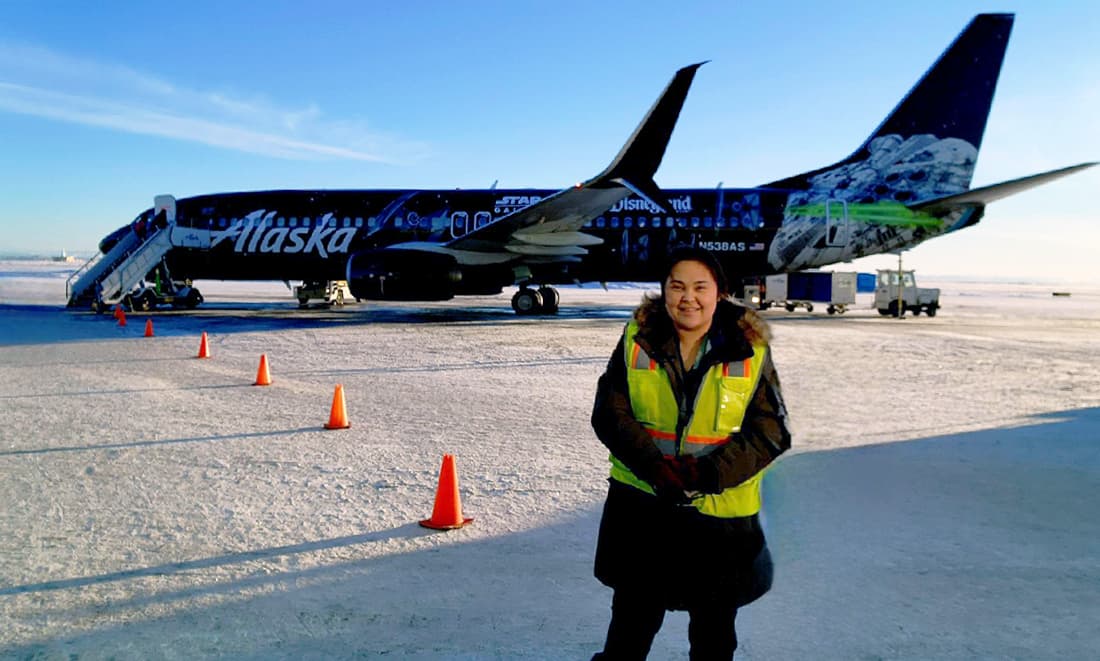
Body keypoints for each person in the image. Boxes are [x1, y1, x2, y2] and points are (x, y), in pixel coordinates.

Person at [590, 246, 792, 660]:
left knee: (714, 634)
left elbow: (771, 430)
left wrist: (708, 475)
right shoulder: (637, 338)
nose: (688, 297)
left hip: (718, 516)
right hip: (644, 507)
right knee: (630, 626)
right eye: (677, 285)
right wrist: (655, 468)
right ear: (663, 291)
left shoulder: (749, 348)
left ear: (720, 293)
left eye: (701, 286)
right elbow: (610, 411)